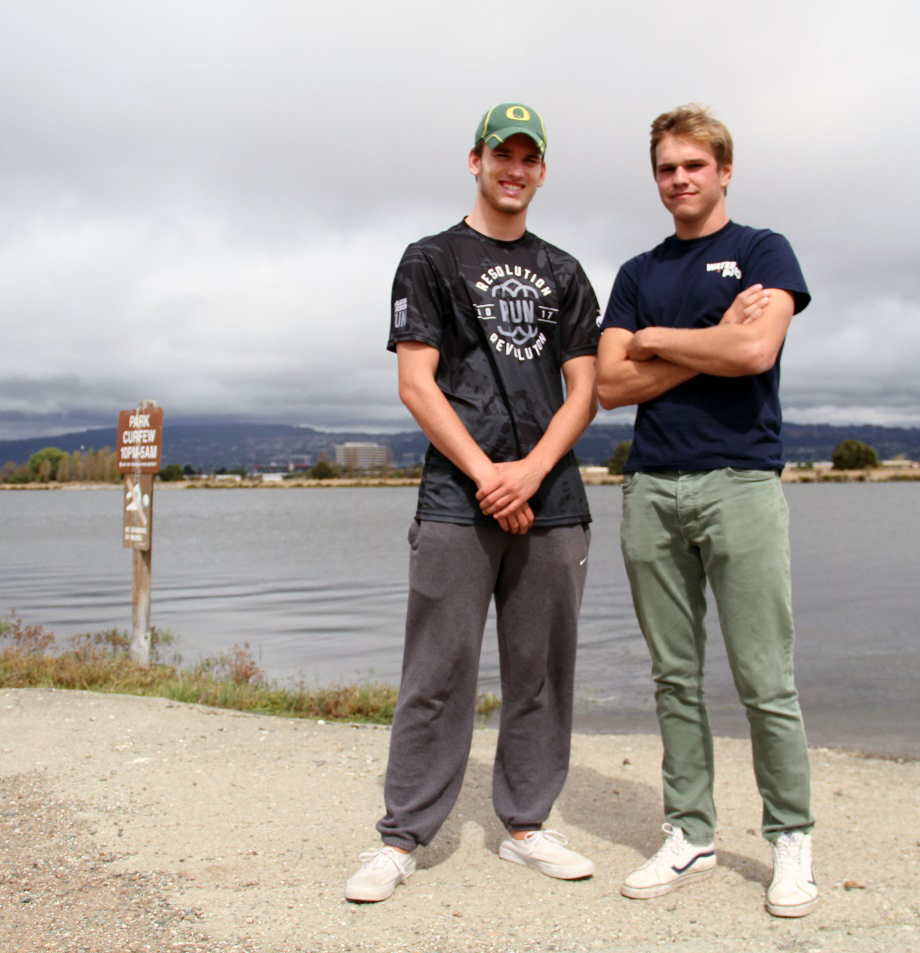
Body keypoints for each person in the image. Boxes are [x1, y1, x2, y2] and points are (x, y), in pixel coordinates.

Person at [345, 102, 602, 903]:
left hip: (552, 500)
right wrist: (489, 474)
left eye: (528, 157)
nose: (513, 168)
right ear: (475, 160)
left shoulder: (564, 270)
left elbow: (584, 390)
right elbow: (415, 383)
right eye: (502, 154)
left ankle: (525, 824)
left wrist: (527, 473)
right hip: (457, 500)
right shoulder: (429, 259)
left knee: (540, 673)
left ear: (542, 170)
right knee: (436, 670)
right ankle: (401, 837)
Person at [595, 104, 818, 918]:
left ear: (723, 171)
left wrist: (653, 340)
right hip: (651, 487)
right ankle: (688, 831)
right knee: (673, 678)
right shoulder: (636, 271)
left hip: (741, 484)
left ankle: (790, 837)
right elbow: (610, 389)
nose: (679, 179)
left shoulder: (763, 251)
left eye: (693, 165)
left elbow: (755, 351)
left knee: (765, 677)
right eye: (665, 168)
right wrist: (700, 338)